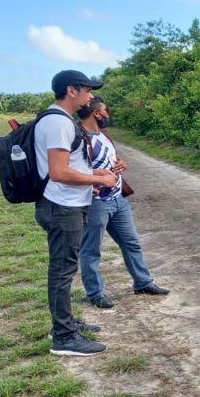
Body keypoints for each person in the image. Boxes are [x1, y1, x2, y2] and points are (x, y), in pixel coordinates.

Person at [34, 70, 117, 357]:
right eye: (87, 90)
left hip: (65, 204)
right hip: (62, 207)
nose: (90, 96)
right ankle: (64, 336)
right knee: (62, 270)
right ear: (72, 91)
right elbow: (58, 172)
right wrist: (98, 180)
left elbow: (63, 167)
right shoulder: (58, 123)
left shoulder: (57, 120)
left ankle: (65, 323)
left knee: (64, 268)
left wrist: (92, 173)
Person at [76, 97, 170, 309]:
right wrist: (95, 176)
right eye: (106, 110)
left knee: (131, 242)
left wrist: (120, 162)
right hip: (95, 202)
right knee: (91, 250)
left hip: (117, 199)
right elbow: (67, 170)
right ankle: (95, 293)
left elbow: (111, 157)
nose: (108, 114)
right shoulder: (78, 137)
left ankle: (143, 282)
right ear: (97, 114)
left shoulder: (104, 135)